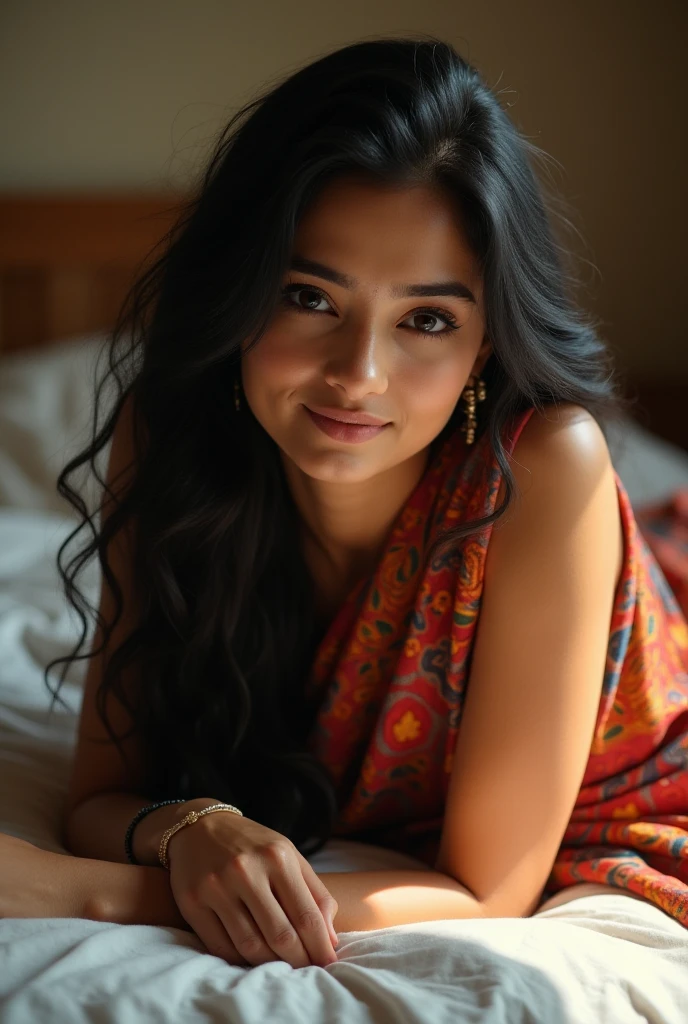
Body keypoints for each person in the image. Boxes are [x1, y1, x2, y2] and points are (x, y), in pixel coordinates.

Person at [2, 36, 687, 971]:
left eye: (428, 320)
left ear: (485, 346)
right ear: (239, 293)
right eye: (308, 297)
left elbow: (487, 892)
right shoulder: (171, 432)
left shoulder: (546, 469)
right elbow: (102, 795)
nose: (358, 376)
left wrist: (89, 891)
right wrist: (191, 827)